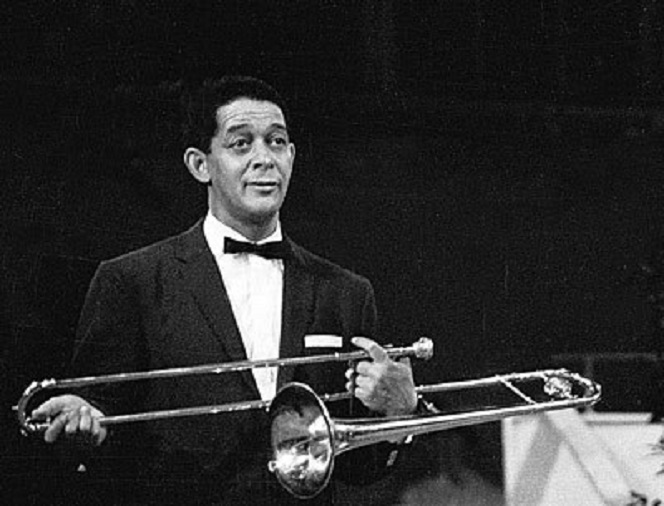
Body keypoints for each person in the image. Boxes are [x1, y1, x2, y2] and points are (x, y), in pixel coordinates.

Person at [30, 76, 426, 505]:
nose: (264, 158)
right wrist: (85, 423)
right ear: (200, 165)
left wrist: (400, 414)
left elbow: (358, 467)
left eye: (276, 142)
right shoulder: (131, 281)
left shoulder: (346, 293)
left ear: (292, 156)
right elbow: (98, 422)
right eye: (241, 144)